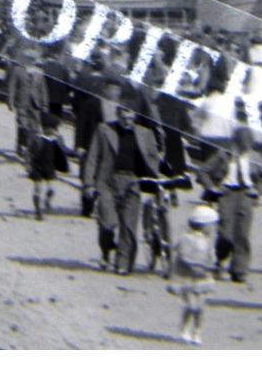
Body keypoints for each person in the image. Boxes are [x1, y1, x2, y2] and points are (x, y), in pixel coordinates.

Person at [82, 107, 160, 275]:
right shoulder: (104, 130)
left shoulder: (145, 134)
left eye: (130, 118)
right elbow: (92, 157)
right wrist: (88, 184)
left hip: (132, 182)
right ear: (117, 115)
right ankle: (105, 251)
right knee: (108, 223)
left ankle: (122, 264)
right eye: (124, 117)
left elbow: (154, 158)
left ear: (135, 117)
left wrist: (153, 179)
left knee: (128, 226)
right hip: (107, 182)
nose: (127, 121)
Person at [201, 125, 261, 283]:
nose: (244, 148)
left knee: (242, 234)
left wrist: (258, 190)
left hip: (246, 195)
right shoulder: (224, 155)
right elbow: (203, 171)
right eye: (241, 144)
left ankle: (239, 270)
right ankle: (220, 260)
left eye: (247, 144)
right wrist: (212, 188)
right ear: (235, 142)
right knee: (226, 233)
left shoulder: (255, 157)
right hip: (227, 194)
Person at [170, 205, 218, 345]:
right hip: (187, 277)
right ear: (203, 225)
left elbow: (211, 257)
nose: (212, 229)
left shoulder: (207, 241)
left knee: (200, 307)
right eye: (211, 226)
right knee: (191, 306)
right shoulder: (187, 239)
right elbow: (183, 256)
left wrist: (211, 266)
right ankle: (184, 330)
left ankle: (197, 331)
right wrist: (194, 266)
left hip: (202, 278)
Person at [27, 112, 69, 220]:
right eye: (54, 129)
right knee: (38, 188)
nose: (55, 132)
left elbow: (64, 150)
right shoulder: (37, 138)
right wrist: (28, 165)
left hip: (50, 167)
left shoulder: (57, 139)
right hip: (38, 167)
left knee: (51, 189)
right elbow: (29, 153)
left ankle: (46, 201)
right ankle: (38, 211)